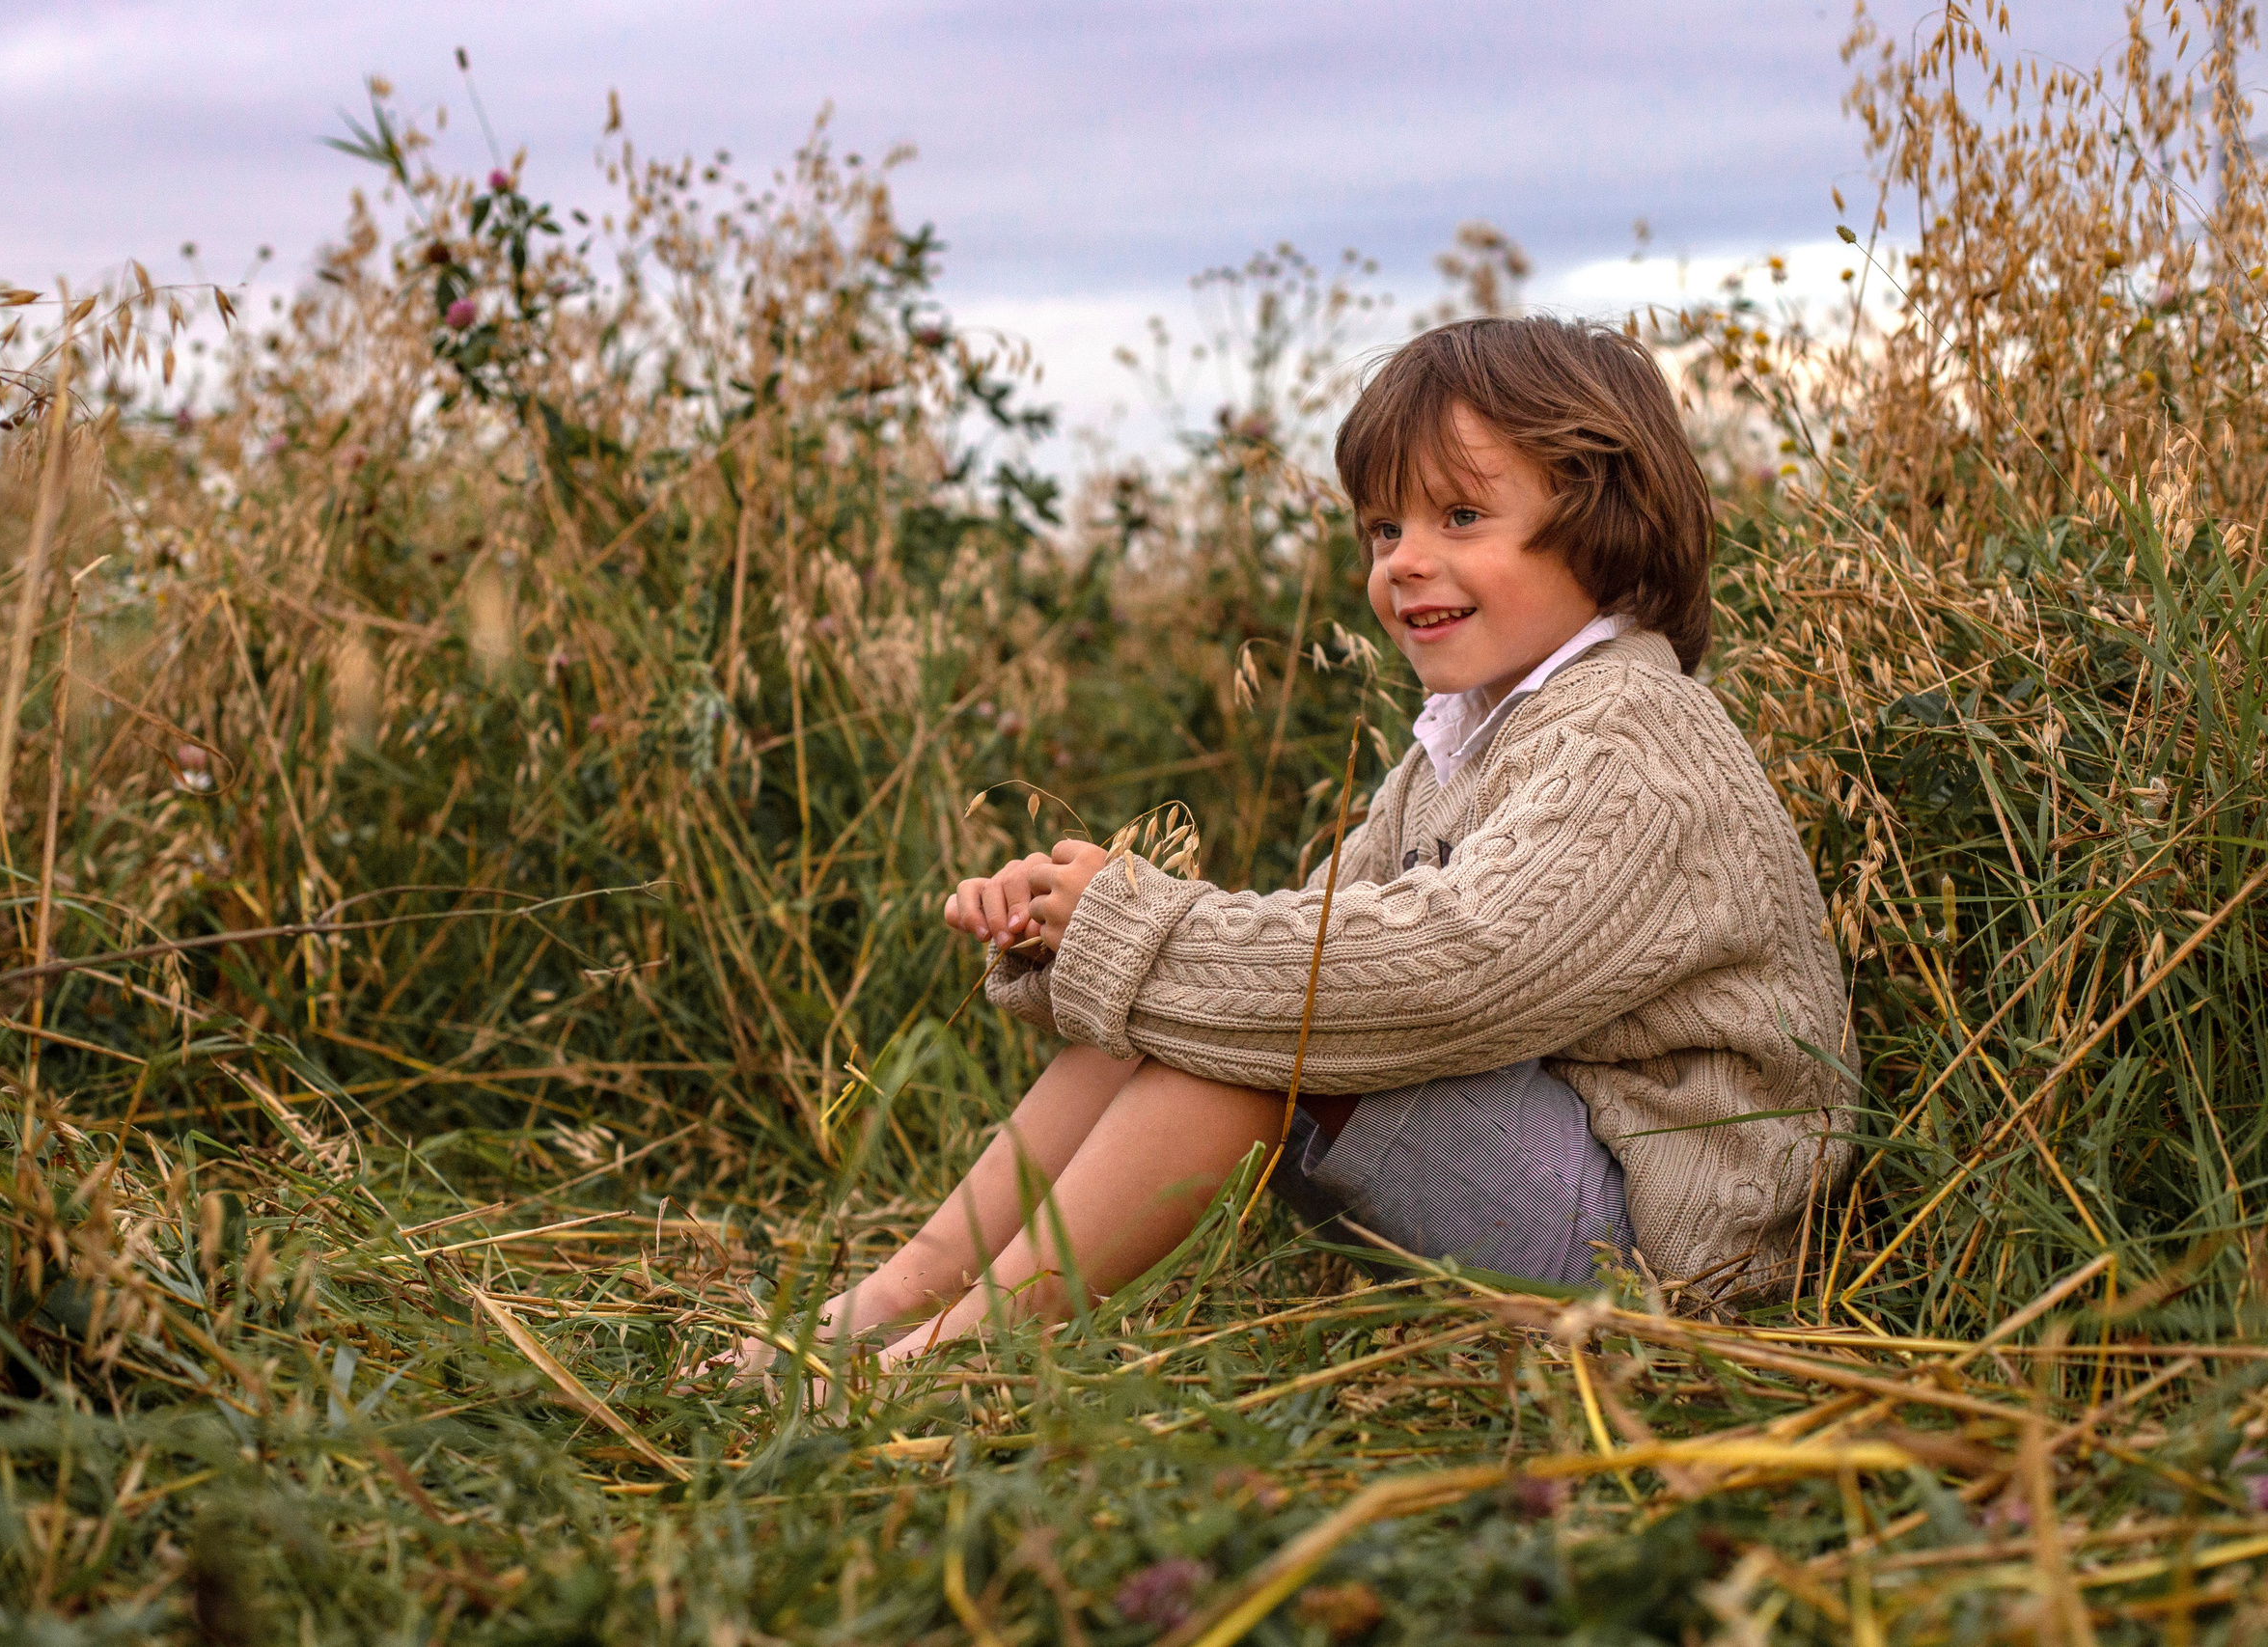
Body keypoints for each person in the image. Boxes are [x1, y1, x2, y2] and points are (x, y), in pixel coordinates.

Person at [740, 316, 1855, 1376]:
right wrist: (1069, 938)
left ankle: (961, 1355)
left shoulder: (1629, 737)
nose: (1402, 561)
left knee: (1268, 1018)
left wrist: (1135, 932)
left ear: (1607, 525)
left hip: (1670, 1264)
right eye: (1384, 529)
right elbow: (1304, 938)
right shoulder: (1461, 745)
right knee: (1229, 995)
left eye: (1460, 517)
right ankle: (896, 1298)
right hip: (1549, 1186)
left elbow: (1453, 976)